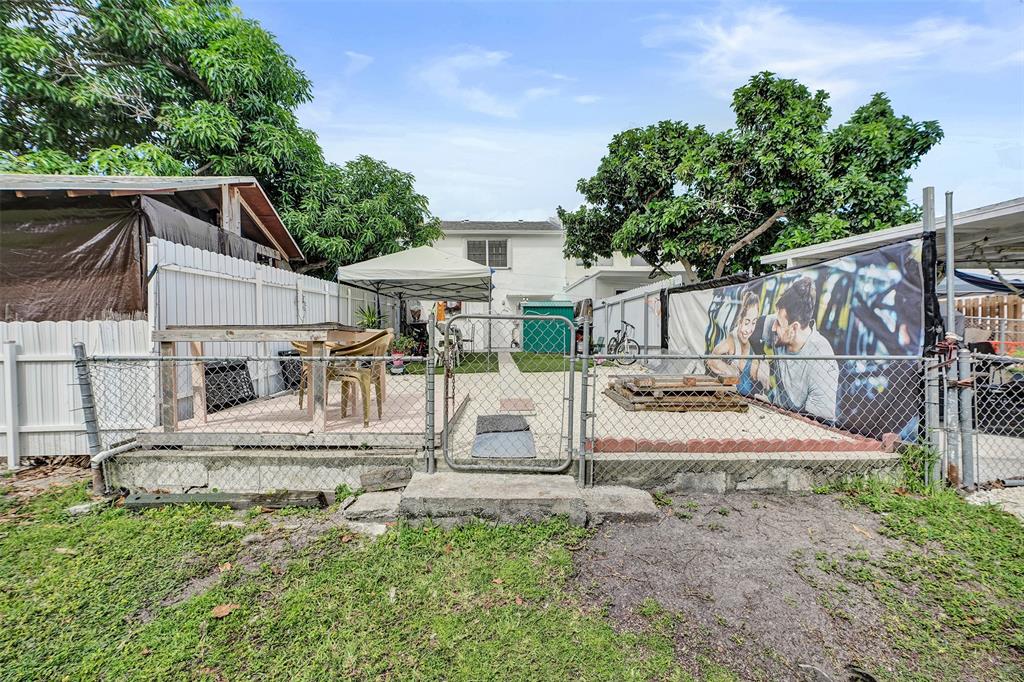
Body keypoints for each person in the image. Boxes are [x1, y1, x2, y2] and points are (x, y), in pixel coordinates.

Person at [765, 277, 839, 422]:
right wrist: (756, 361)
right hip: (776, 420)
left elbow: (818, 425)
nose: (773, 328)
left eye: (779, 324)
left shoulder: (821, 356)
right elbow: (742, 328)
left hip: (806, 433)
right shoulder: (780, 325)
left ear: (794, 328)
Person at [707, 291, 763, 396]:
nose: (749, 330)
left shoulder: (755, 347)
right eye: (747, 322)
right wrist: (728, 370)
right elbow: (711, 359)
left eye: (754, 322)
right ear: (740, 321)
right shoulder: (732, 340)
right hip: (733, 398)